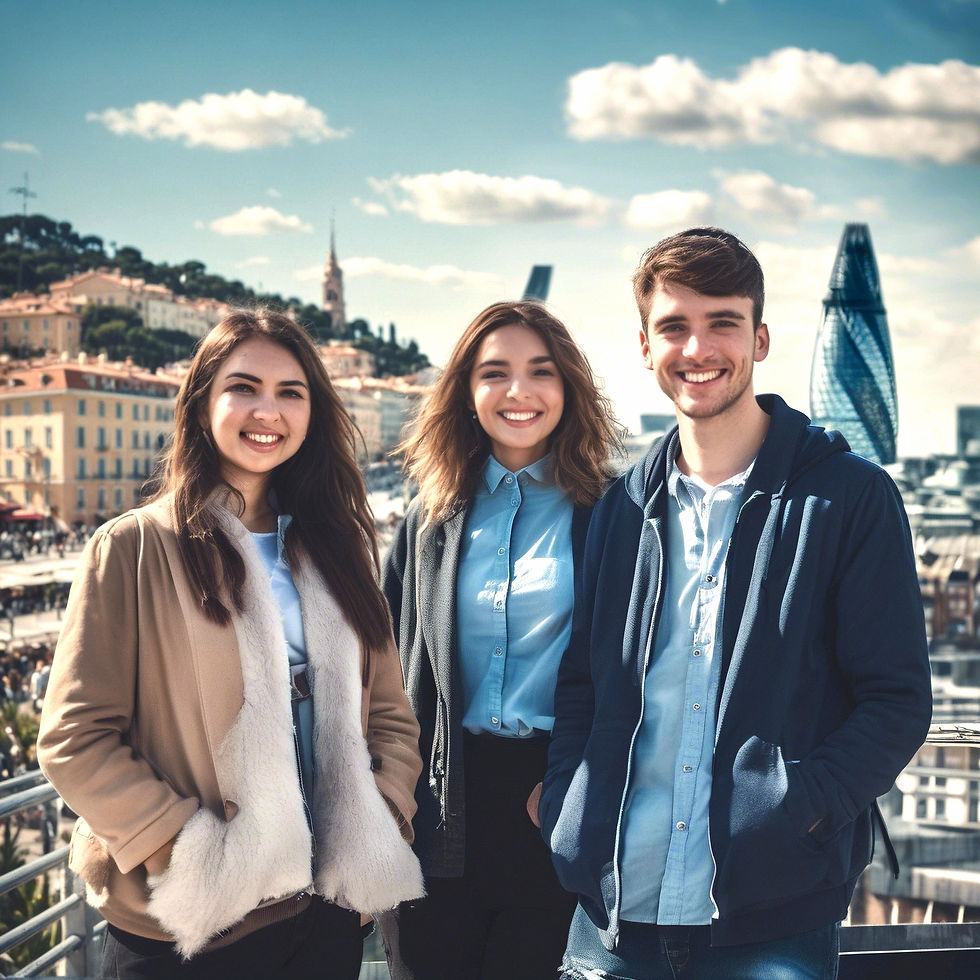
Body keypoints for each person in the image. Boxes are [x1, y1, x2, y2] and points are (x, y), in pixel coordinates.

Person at [540, 228, 933, 980]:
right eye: (674, 327)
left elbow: (895, 701)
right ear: (646, 348)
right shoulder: (621, 506)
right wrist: (571, 812)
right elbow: (585, 684)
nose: (699, 347)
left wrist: (796, 813)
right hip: (613, 911)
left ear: (760, 339)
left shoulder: (848, 498)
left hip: (770, 916)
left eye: (722, 322)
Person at [37, 308, 425, 979]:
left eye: (290, 392)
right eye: (243, 387)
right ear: (202, 403)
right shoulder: (132, 548)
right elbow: (74, 737)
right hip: (189, 924)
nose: (266, 410)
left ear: (313, 413)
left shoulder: (342, 546)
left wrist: (382, 818)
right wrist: (186, 853)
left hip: (327, 911)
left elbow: (390, 713)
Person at [383, 301, 621, 978]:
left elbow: (637, 671)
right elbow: (381, 665)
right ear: (467, 392)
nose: (518, 392)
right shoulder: (428, 520)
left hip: (554, 808)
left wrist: (579, 787)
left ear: (568, 388)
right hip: (438, 811)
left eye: (540, 372)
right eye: (495, 373)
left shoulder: (611, 513)